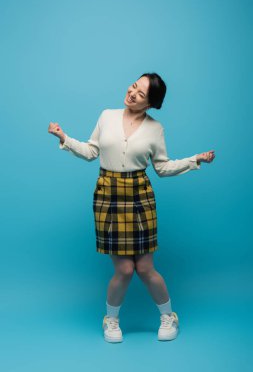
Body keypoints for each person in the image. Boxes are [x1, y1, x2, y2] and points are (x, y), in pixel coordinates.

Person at [48, 73, 215, 343]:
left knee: (145, 268)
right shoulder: (106, 116)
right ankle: (110, 320)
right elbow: (92, 152)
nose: (132, 92)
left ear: (150, 103)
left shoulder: (155, 129)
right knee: (124, 269)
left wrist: (194, 160)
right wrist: (64, 137)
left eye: (141, 93)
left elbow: (162, 167)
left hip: (139, 195)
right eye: (134, 85)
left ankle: (168, 316)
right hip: (108, 194)